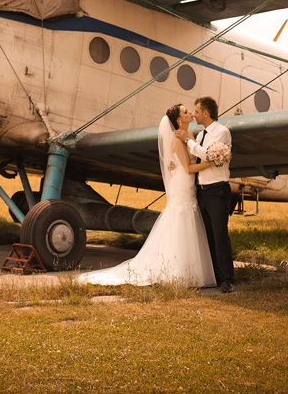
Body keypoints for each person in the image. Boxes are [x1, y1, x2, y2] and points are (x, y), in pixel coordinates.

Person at [78, 104, 217, 288]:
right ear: (178, 120)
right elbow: (189, 168)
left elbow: (187, 159)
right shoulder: (176, 140)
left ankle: (191, 269)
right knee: (181, 220)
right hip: (183, 182)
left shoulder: (190, 136)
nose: (190, 113)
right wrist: (212, 161)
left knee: (188, 221)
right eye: (185, 112)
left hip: (187, 183)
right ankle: (177, 269)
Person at [176, 96, 234, 293]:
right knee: (208, 236)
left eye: (197, 111)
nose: (194, 114)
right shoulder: (200, 135)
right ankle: (215, 276)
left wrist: (188, 141)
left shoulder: (222, 132)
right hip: (202, 192)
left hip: (218, 191)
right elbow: (197, 157)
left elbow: (207, 154)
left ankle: (227, 279)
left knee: (220, 236)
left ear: (206, 113)